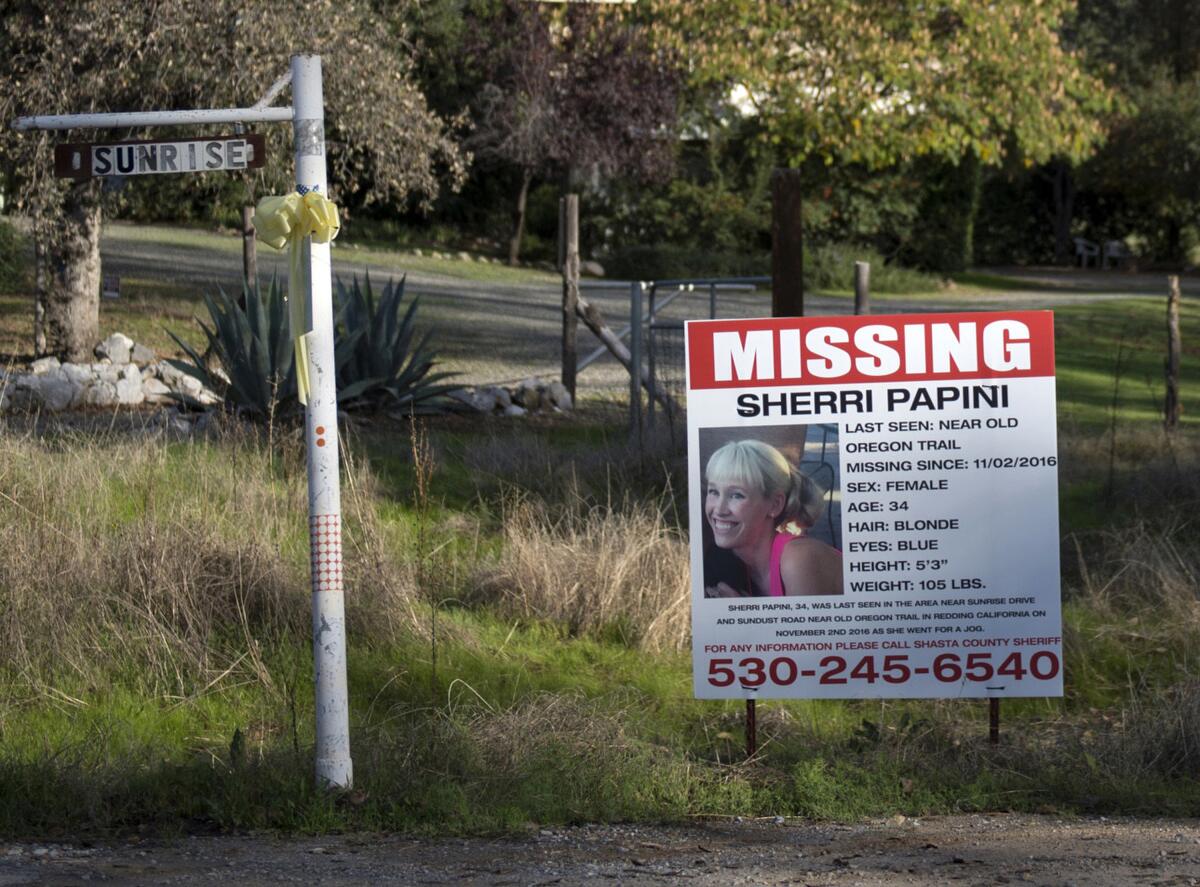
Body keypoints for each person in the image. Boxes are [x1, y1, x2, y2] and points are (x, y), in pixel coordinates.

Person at [703, 439, 842, 598]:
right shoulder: (726, 566)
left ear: (775, 505)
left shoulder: (799, 559)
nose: (719, 510)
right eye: (713, 492)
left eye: (737, 495)